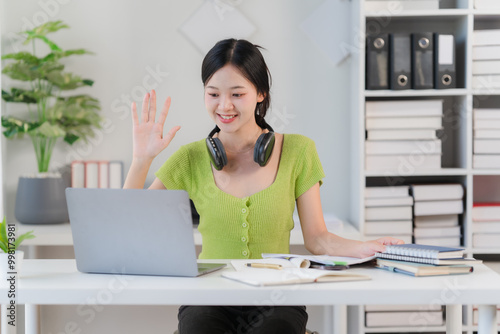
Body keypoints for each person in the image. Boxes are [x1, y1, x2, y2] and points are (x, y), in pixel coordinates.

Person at [124, 38, 403, 334]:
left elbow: (317, 239)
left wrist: (364, 249)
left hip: (277, 298)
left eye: (237, 93)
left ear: (260, 94)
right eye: (213, 94)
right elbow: (132, 225)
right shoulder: (190, 157)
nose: (225, 105)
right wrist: (141, 159)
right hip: (208, 296)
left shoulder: (298, 150)